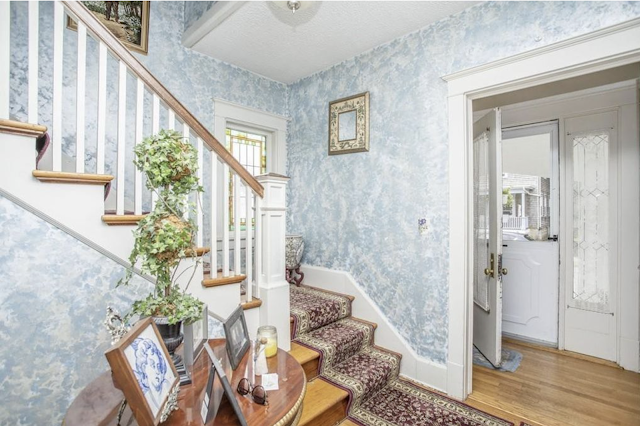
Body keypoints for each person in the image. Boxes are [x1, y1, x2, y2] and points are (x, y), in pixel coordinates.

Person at [131, 337, 171, 415]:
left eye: (158, 366)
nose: (157, 371)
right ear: (143, 368)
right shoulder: (146, 400)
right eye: (153, 366)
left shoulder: (167, 385)